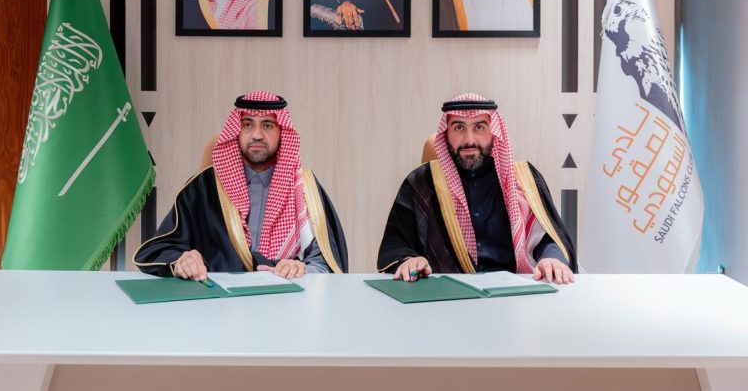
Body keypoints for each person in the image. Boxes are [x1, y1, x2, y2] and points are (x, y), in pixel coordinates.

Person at [134, 91, 348, 279]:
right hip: (218, 305)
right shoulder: (204, 187)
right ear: (236, 130)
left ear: (282, 132)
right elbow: (161, 248)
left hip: (287, 302)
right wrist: (183, 259)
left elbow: (326, 263)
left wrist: (302, 269)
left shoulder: (305, 189)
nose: (256, 135)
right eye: (247, 124)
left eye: (267, 125)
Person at [377, 93, 576, 284]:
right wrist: (408, 260)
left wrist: (551, 258)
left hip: (512, 294)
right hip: (447, 297)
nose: (469, 140)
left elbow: (547, 238)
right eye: (458, 127)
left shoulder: (524, 179)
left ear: (493, 132)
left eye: (479, 127)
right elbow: (396, 245)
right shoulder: (422, 181)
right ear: (446, 133)